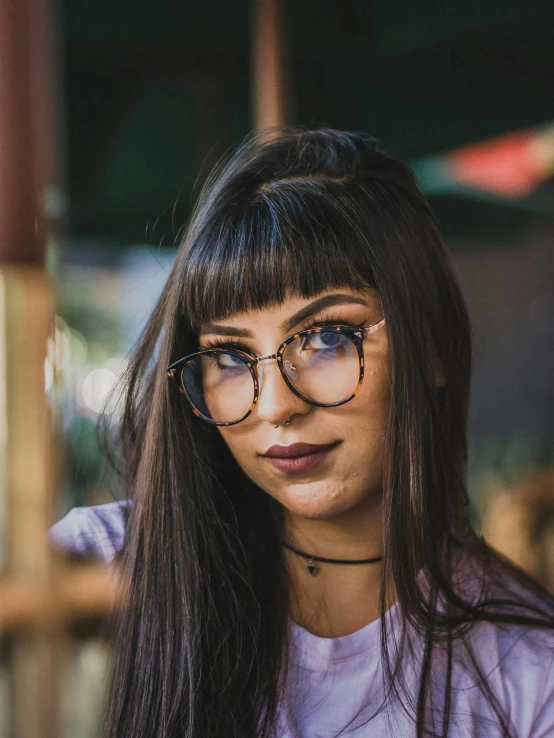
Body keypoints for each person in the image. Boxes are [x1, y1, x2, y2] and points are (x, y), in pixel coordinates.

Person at [49, 127, 554, 738]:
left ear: (434, 348)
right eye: (231, 356)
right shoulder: (93, 580)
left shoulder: (527, 673)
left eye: (328, 337)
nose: (277, 406)